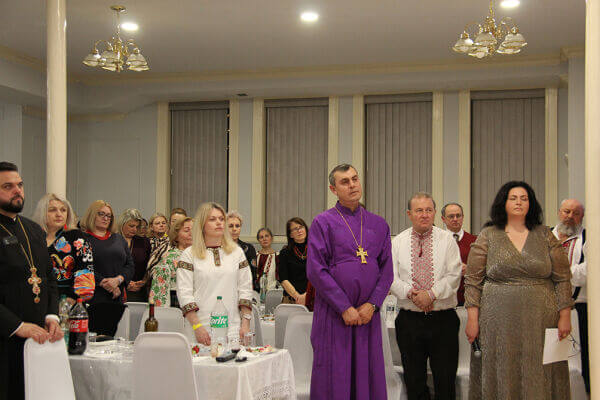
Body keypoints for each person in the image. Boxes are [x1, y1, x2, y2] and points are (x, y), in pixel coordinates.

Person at [465, 181, 573, 400]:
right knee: (502, 368)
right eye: (513, 198)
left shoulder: (545, 235)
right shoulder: (488, 235)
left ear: (531, 204)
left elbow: (563, 278)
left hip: (541, 319)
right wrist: (472, 319)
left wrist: (565, 315)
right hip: (496, 321)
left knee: (539, 370)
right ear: (503, 202)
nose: (519, 202)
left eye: (524, 198)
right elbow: (473, 280)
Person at [307, 164, 393, 400]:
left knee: (368, 375)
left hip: (367, 316)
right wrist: (344, 306)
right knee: (336, 376)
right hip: (334, 315)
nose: (353, 185)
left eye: (355, 179)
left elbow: (387, 272)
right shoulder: (322, 222)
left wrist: (372, 304)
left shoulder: (379, 224)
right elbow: (316, 270)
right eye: (345, 181)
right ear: (333, 189)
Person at [0, 161, 63, 400]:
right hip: (5, 338)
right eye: (8, 186)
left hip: (37, 338)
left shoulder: (34, 230)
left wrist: (52, 316)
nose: (17, 191)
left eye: (20, 185)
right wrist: (17, 326)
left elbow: (48, 278)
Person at [391, 192, 462, 400]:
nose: (424, 215)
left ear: (435, 213)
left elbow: (454, 275)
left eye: (429, 210)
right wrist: (411, 294)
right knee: (414, 382)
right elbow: (390, 277)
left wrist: (431, 294)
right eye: (419, 210)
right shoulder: (398, 242)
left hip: (443, 320)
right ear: (409, 214)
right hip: (409, 321)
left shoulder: (447, 240)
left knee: (445, 381)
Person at [177, 203, 253, 346]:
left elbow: (245, 288)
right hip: (200, 329)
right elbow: (184, 293)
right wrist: (197, 327)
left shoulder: (236, 252)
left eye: (221, 219)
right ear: (202, 224)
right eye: (212, 219)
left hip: (233, 328)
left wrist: (245, 323)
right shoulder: (189, 254)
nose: (219, 222)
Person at [80, 200, 134, 335]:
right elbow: (82, 266)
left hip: (116, 298)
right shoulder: (82, 239)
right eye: (101, 214)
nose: (105, 218)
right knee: (94, 339)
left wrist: (118, 280)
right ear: (92, 215)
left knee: (110, 339)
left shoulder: (118, 239)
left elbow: (130, 265)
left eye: (109, 216)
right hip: (94, 297)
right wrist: (104, 283)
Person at [552, 198, 588, 393]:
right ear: (559, 212)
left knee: (582, 360)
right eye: (567, 211)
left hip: (579, 309)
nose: (570, 217)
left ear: (582, 217)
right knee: (549, 359)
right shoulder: (544, 237)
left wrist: (557, 272)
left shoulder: (588, 238)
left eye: (576, 213)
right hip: (546, 307)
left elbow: (587, 271)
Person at [32, 193, 95, 303]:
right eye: (52, 210)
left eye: (63, 210)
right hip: (37, 298)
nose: (59, 214)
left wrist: (73, 298)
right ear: (42, 213)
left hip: (68, 300)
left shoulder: (77, 237)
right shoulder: (33, 237)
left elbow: (85, 271)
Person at [149, 217, 193, 307]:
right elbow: (159, 296)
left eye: (195, 230)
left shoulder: (204, 256)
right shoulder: (169, 258)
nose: (191, 233)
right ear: (176, 235)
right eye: (186, 230)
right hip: (178, 306)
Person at [441, 202, 477, 306]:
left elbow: (484, 268)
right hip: (443, 300)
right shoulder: (436, 241)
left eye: (458, 216)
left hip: (468, 300)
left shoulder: (475, 241)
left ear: (463, 217)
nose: (455, 219)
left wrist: (470, 269)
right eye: (451, 216)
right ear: (443, 219)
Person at [116, 208, 151, 302]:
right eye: (131, 226)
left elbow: (150, 265)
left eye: (137, 226)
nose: (134, 229)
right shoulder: (112, 241)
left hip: (138, 289)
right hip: (117, 288)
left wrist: (144, 281)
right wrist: (124, 282)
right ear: (122, 224)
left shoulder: (144, 242)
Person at [279, 217, 310, 305]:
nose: (299, 231)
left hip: (311, 297)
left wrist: (307, 295)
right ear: (290, 234)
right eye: (295, 229)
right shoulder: (285, 252)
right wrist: (297, 297)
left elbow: (318, 276)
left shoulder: (315, 250)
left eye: (301, 227)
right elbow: (283, 279)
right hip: (291, 299)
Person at [227, 210, 258, 290]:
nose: (234, 229)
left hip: (244, 289)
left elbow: (253, 274)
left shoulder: (249, 248)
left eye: (237, 226)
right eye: (230, 226)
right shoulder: (218, 248)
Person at [255, 227, 279, 292]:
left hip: (272, 292)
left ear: (271, 238)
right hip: (255, 293)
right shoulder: (255, 256)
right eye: (261, 237)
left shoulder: (278, 256)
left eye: (267, 236)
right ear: (258, 240)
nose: (264, 239)